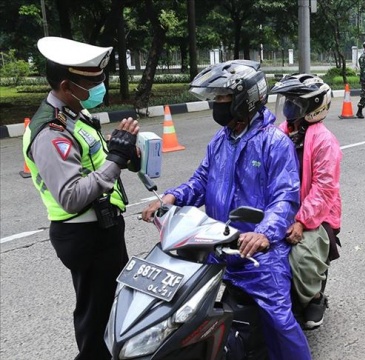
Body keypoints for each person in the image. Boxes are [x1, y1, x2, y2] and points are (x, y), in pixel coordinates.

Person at [141, 60, 312, 359]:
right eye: (215, 99)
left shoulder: (274, 143)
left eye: (223, 98)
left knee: (280, 321)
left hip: (258, 255)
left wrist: (262, 234)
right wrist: (170, 198)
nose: (217, 105)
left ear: (246, 98)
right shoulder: (220, 141)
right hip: (217, 245)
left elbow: (285, 197)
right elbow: (201, 180)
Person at [22, 37, 139, 360]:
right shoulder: (51, 132)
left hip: (104, 229)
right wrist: (116, 160)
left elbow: (97, 162)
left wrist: (126, 153)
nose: (99, 87)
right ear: (65, 85)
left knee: (113, 314)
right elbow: (72, 196)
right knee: (96, 323)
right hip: (85, 235)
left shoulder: (77, 114)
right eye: (91, 82)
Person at [271, 74, 343, 329]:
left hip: (317, 216)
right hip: (282, 210)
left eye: (295, 101)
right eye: (288, 100)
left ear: (313, 107)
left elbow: (324, 189)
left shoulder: (324, 141)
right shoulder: (281, 133)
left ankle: (314, 296)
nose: (289, 106)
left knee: (299, 258)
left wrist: (301, 222)